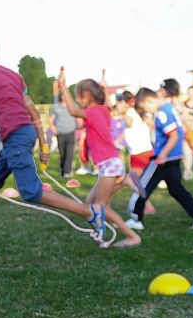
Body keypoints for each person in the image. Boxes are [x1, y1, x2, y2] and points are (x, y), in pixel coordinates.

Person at [0, 28, 125, 252]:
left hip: (16, 135)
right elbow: (33, 111)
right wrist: (43, 144)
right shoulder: (13, 75)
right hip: (24, 133)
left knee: (31, 191)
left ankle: (88, 212)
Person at [57, 75, 142, 247]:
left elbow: (73, 111)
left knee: (100, 206)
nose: (78, 100)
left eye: (78, 96)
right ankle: (102, 229)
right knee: (90, 202)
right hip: (110, 163)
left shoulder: (92, 112)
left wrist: (63, 87)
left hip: (109, 164)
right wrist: (103, 82)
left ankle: (132, 236)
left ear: (87, 95)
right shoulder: (103, 110)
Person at [126, 81, 193, 230]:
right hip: (174, 157)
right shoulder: (169, 109)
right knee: (176, 189)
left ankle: (135, 218)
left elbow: (173, 135)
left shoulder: (162, 113)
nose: (147, 111)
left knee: (142, 185)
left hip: (164, 158)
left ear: (150, 101)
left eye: (145, 107)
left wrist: (163, 155)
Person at [49, 79, 78, 178]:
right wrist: (53, 128)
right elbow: (50, 119)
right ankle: (63, 170)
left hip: (71, 132)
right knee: (62, 153)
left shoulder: (73, 106)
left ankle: (67, 172)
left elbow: (78, 117)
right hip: (60, 132)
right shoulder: (56, 107)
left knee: (69, 152)